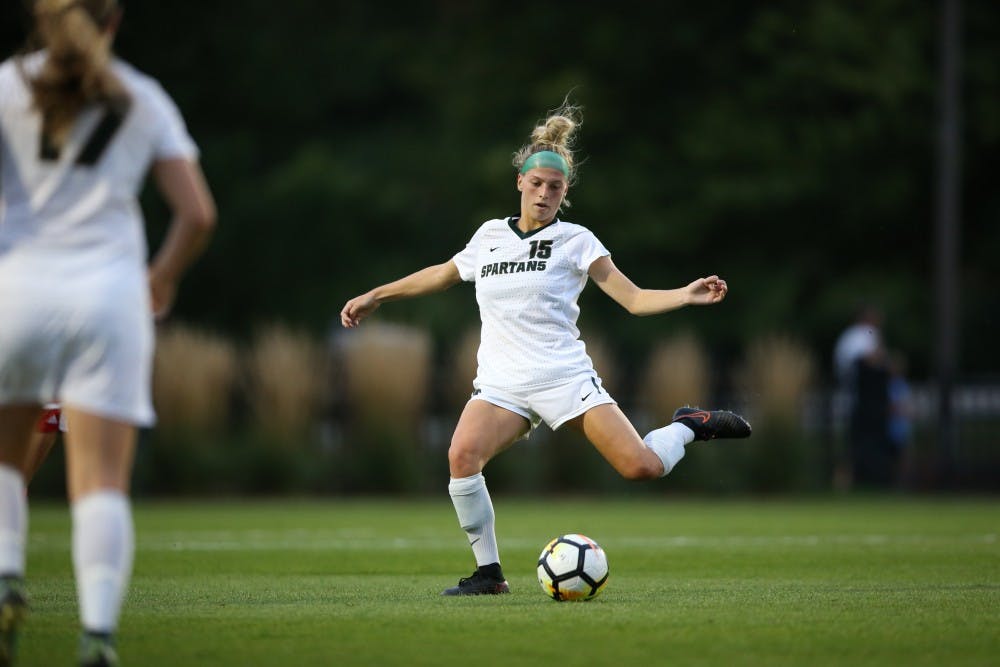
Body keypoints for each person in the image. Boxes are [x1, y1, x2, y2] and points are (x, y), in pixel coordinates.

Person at [340, 102, 751, 596]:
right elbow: (441, 274)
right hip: (501, 384)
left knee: (640, 466)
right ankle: (489, 575)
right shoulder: (489, 236)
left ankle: (687, 426)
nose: (544, 193)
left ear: (565, 193)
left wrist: (685, 294)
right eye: (536, 183)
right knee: (461, 455)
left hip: (563, 376)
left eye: (555, 187)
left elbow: (634, 298)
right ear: (519, 181)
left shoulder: (576, 241)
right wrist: (376, 294)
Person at [0, 1, 216, 665]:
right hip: (110, 298)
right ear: (113, 21)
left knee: (5, 461)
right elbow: (198, 213)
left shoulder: (9, 82)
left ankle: (7, 579)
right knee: (100, 480)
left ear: (42, 17)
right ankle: (98, 636)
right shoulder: (142, 96)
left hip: (20, 289)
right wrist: (162, 276)